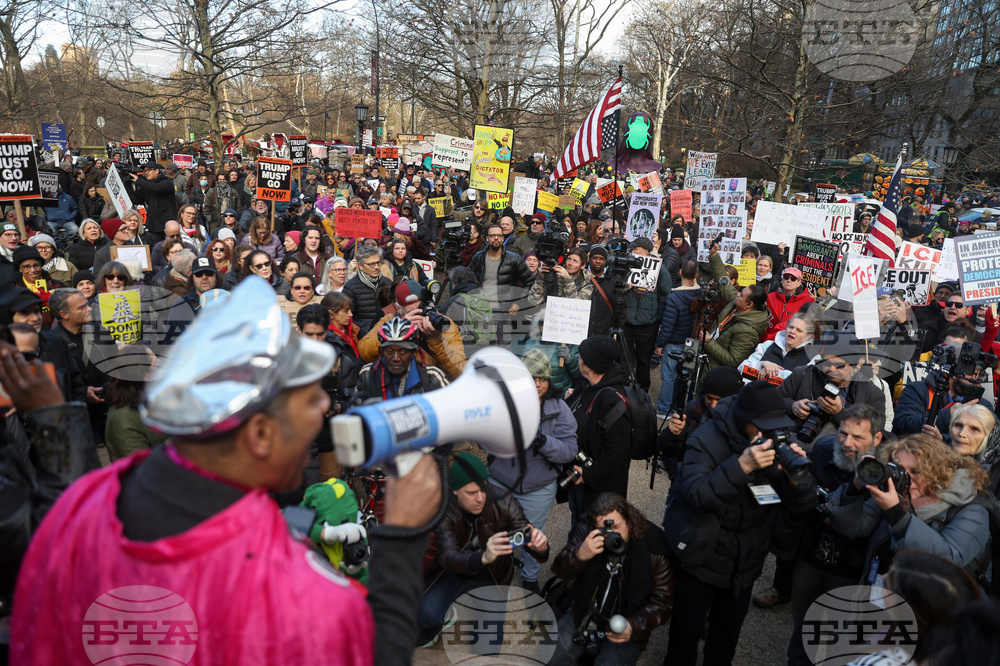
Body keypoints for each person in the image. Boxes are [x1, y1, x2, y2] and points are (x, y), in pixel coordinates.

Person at [11, 277, 444, 663]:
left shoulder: (87, 501)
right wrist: (404, 536)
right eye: (309, 399)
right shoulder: (301, 600)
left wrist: (55, 422)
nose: (326, 405)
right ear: (259, 435)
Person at [661, 381, 817, 666]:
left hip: (746, 559)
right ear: (745, 420)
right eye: (762, 425)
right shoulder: (705, 439)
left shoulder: (774, 438)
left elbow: (802, 506)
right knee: (685, 637)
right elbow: (697, 495)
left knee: (725, 638)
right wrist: (742, 466)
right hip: (703, 555)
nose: (767, 432)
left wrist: (799, 480)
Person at [781, 405, 888, 665]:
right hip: (810, 557)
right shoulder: (823, 449)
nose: (847, 443)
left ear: (876, 439)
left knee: (840, 644)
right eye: (843, 433)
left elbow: (866, 523)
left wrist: (833, 511)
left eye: (857, 437)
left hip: (852, 571)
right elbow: (809, 499)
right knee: (803, 632)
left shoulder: (886, 469)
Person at [825, 434, 991, 595]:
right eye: (899, 470)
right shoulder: (894, 496)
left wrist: (896, 514)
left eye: (916, 472)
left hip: (932, 612)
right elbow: (852, 527)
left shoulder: (973, 511)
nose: (906, 478)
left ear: (938, 472)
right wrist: (856, 487)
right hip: (879, 600)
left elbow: (946, 560)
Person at [419, 452, 549, 646]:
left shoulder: (504, 501)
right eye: (471, 493)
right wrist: (484, 557)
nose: (480, 498)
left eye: (483, 489)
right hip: (454, 570)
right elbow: (447, 557)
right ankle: (438, 622)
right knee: (426, 615)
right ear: (455, 491)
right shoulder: (443, 507)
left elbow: (526, 533)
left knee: (488, 643)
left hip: (492, 574)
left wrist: (541, 548)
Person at [488, 348, 578, 592]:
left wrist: (542, 441)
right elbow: (483, 438)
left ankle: (530, 577)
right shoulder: (502, 403)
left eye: (542, 379)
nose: (538, 384)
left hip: (538, 488)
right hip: (500, 482)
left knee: (531, 534)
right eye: (532, 378)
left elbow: (570, 450)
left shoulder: (559, 409)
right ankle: (496, 571)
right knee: (496, 530)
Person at [549, 493, 675, 666]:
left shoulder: (654, 546)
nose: (611, 535)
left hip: (628, 621)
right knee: (551, 656)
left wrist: (633, 627)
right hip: (585, 611)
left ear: (629, 520)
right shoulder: (587, 530)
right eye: (604, 529)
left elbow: (663, 603)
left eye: (616, 526)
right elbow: (559, 570)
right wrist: (580, 555)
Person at [565, 336, 632, 527]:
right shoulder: (586, 383)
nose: (577, 360)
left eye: (580, 358)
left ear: (589, 366)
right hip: (579, 474)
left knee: (593, 530)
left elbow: (616, 451)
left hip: (600, 487)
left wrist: (588, 476)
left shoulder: (612, 399)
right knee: (577, 521)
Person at [359, 279, 466, 380]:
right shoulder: (390, 321)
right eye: (411, 314)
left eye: (420, 312)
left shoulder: (442, 323)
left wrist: (436, 340)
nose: (417, 318)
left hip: (433, 387)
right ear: (399, 310)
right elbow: (364, 352)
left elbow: (460, 372)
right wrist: (399, 328)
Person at [894, 340, 994, 437]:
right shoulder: (917, 390)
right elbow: (902, 425)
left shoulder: (982, 405)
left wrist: (943, 440)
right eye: (973, 373)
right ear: (953, 372)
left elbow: (991, 440)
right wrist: (949, 413)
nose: (978, 379)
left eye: (980, 374)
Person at [702, 244, 769, 368]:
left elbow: (734, 361)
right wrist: (714, 255)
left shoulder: (748, 332)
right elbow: (724, 282)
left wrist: (709, 342)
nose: (737, 294)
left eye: (741, 295)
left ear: (749, 304)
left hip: (715, 372)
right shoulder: (738, 304)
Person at [356, 316, 450, 400]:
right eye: (390, 351)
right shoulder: (368, 374)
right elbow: (356, 414)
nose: (396, 358)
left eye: (403, 351)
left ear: (413, 352)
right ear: (382, 352)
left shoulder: (432, 377)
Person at [104, 345, 168, 461]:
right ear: (144, 375)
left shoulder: (153, 398)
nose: (161, 363)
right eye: (155, 362)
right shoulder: (123, 418)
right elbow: (142, 466)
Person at [624, 237, 672, 392]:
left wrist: (656, 315)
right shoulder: (627, 263)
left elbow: (666, 291)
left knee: (644, 360)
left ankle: (642, 391)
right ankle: (623, 388)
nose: (632, 252)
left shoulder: (660, 268)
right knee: (624, 358)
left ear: (645, 251)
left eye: (635, 249)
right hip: (628, 321)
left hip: (648, 324)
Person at [654, 260, 700, 413]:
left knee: (668, 377)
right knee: (683, 378)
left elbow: (668, 326)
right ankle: (677, 407)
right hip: (692, 343)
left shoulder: (673, 297)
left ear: (680, 272)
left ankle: (663, 409)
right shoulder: (700, 294)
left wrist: (660, 344)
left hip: (674, 343)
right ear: (696, 276)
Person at [468, 222, 533, 321]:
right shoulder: (478, 257)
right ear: (487, 238)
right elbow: (467, 281)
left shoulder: (514, 259)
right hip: (480, 310)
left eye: (499, 235)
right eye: (492, 235)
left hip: (504, 312)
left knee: (502, 336)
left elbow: (531, 281)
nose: (496, 238)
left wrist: (519, 303)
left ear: (503, 238)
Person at [738, 311, 817, 382]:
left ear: (808, 336)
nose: (792, 332)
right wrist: (762, 364)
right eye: (791, 327)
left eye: (799, 330)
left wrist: (775, 372)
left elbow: (802, 385)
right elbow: (741, 367)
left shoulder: (813, 358)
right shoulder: (768, 345)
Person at [342, 245, 392, 337]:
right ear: (360, 266)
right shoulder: (351, 287)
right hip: (363, 336)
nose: (376, 267)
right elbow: (346, 317)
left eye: (378, 263)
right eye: (371, 264)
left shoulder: (387, 283)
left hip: (387, 333)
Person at [128, 160, 177, 244]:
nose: (146, 173)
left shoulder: (166, 182)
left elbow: (156, 188)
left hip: (167, 224)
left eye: (148, 170)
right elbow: (136, 200)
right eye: (144, 171)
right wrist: (128, 184)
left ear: (156, 171)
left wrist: (139, 181)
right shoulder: (146, 185)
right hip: (154, 225)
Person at [763, 267, 815, 341]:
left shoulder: (809, 301)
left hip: (791, 343)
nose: (788, 280)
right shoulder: (769, 297)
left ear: (799, 282)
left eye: (793, 278)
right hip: (767, 341)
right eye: (786, 277)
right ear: (782, 280)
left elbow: (809, 326)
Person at [527, 248, 593, 306]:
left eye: (575, 261)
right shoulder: (555, 274)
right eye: (569, 259)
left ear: (583, 266)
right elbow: (533, 301)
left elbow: (574, 307)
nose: (570, 263)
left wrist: (568, 280)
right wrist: (540, 279)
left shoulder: (586, 284)